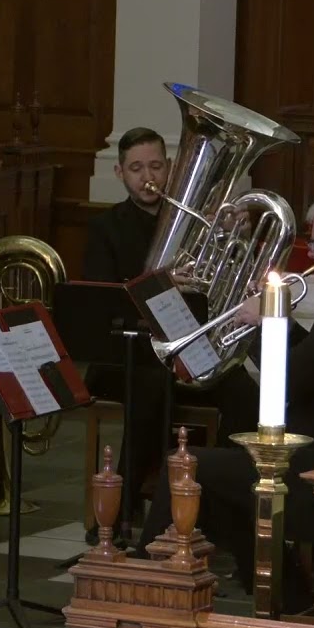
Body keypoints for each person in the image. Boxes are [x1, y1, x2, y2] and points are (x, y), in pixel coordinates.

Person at [133, 193, 314, 610]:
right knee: (219, 478)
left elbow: (289, 382)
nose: (311, 251)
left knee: (186, 467)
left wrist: (263, 323)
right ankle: (287, 593)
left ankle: (143, 589)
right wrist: (276, 318)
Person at [82, 128, 259, 537]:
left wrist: (237, 241)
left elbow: (225, 288)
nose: (149, 177)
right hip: (127, 353)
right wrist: (158, 283)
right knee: (151, 388)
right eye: (137, 167)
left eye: (157, 166)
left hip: (189, 348)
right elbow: (100, 299)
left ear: (172, 169)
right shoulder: (105, 228)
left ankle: (221, 506)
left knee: (243, 394)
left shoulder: (198, 224)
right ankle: (121, 513)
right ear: (120, 172)